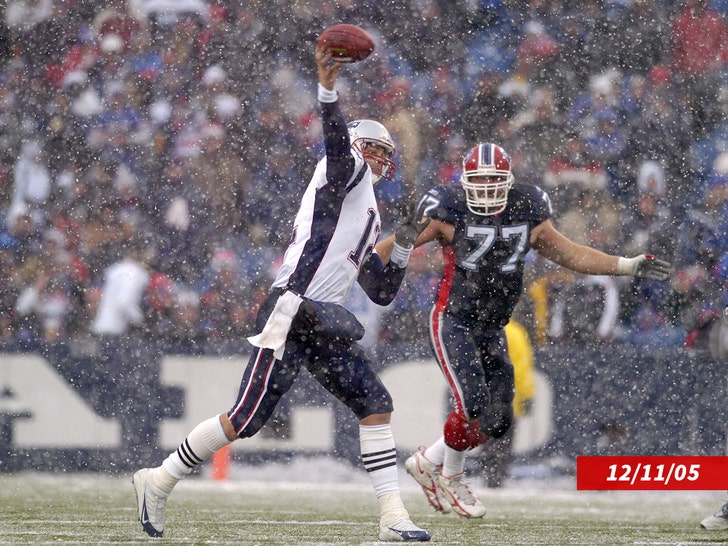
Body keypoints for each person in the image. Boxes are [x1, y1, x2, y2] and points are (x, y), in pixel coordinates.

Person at [132, 45, 431, 542]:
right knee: (245, 419)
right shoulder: (344, 171)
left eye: (385, 152)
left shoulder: (370, 209)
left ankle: (392, 516)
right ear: (356, 149)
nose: (378, 157)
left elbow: (380, 292)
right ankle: (158, 480)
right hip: (292, 309)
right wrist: (328, 90)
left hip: (323, 316)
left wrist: (403, 244)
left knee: (376, 402)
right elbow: (338, 147)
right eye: (371, 148)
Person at [375, 142, 671, 518]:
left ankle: (429, 461)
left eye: (494, 180)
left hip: (494, 324)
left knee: (498, 421)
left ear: (509, 180)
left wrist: (625, 265)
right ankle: (451, 474)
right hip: (455, 319)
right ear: (464, 182)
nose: (485, 188)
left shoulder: (527, 209)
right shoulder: (447, 210)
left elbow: (572, 254)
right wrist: (355, 264)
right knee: (473, 403)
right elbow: (396, 244)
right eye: (478, 181)